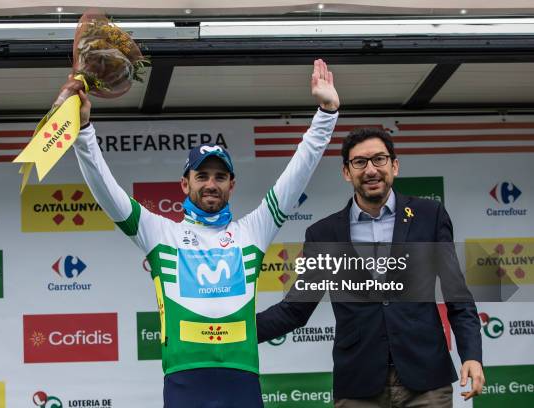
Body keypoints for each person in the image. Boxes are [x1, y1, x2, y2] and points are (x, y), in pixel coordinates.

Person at [68, 59, 340, 407]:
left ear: (232, 185)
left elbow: (296, 175)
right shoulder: (159, 232)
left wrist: (326, 113)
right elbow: (108, 193)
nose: (211, 184)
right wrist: (85, 131)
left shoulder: (253, 231)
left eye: (220, 177)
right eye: (202, 176)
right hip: (185, 380)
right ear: (185, 184)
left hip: (241, 379)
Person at [256, 127, 485, 407]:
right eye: (360, 162)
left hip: (426, 381)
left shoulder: (429, 216)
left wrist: (472, 355)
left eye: (379, 159)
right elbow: (295, 309)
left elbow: (456, 294)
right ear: (346, 172)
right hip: (358, 386)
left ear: (394, 165)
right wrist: (236, 331)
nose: (371, 169)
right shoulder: (324, 234)